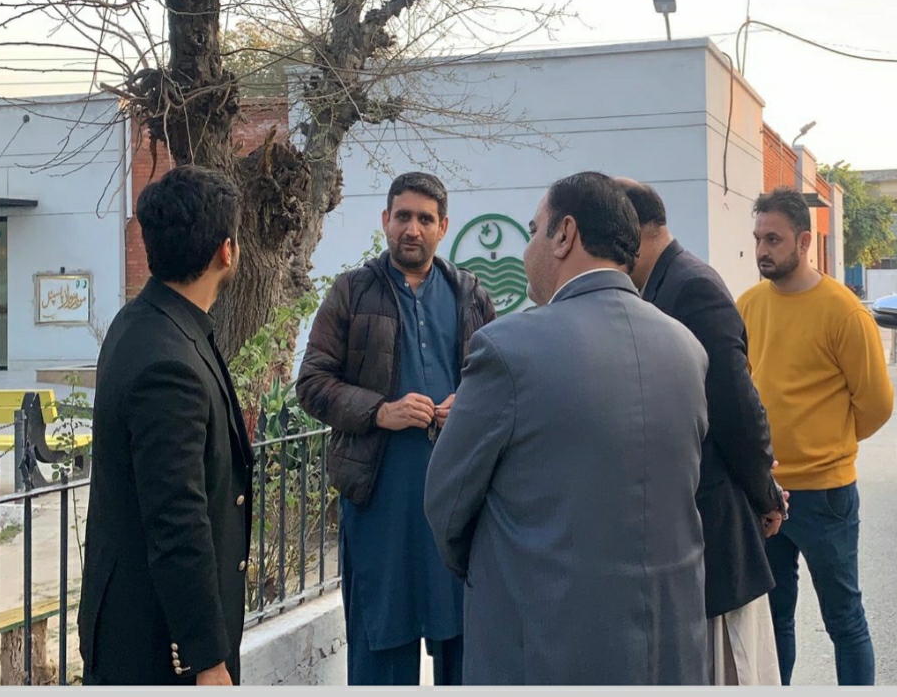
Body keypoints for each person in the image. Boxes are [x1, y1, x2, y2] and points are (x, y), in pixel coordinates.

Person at [424, 171, 710, 685]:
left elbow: (447, 503)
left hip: (545, 647)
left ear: (564, 235)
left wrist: (499, 571)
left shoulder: (508, 348)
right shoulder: (686, 347)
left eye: (534, 230)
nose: (527, 248)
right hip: (670, 653)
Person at [296, 172, 495, 686]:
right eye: (403, 216)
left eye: (425, 219)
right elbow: (312, 383)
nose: (412, 228)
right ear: (385, 220)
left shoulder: (471, 295)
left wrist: (467, 405)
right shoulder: (352, 292)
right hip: (379, 503)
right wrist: (380, 411)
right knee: (381, 651)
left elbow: (498, 385)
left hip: (457, 504)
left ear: (443, 227)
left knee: (466, 650)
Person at [78, 165, 253, 686]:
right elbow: (177, 519)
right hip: (157, 645)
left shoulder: (146, 321)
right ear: (227, 251)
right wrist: (208, 659)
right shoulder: (167, 361)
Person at [618, 178, 785, 686]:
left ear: (635, 231)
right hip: (682, 525)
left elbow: (736, 404)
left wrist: (765, 493)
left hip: (716, 521)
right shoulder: (658, 284)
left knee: (726, 668)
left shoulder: (691, 286)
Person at [736, 186, 894, 686]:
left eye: (774, 239)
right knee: (774, 620)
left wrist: (828, 446)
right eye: (758, 238)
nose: (762, 250)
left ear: (804, 242)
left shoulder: (843, 312)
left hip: (826, 496)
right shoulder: (747, 306)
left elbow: (876, 404)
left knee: (844, 619)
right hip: (766, 491)